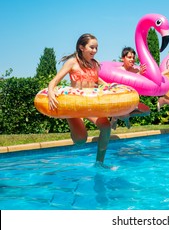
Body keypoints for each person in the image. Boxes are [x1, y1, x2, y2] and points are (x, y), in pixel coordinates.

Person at [47, 33, 111, 166]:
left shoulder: (95, 64)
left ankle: (99, 163)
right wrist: (51, 92)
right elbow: (55, 80)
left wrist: (109, 86)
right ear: (82, 47)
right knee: (81, 140)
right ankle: (69, 117)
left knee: (106, 127)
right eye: (91, 47)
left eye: (96, 48)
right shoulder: (72, 62)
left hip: (90, 104)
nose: (95, 51)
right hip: (75, 106)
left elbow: (95, 79)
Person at [110, 47, 150, 130]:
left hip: (132, 101)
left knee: (147, 111)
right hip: (120, 101)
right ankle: (120, 117)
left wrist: (140, 74)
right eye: (129, 57)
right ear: (123, 58)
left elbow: (139, 83)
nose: (132, 59)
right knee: (124, 115)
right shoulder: (117, 71)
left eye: (133, 58)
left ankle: (118, 117)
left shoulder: (136, 71)